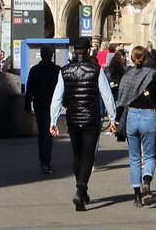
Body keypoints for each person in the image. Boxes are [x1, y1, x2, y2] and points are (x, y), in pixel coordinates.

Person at [49, 38, 117, 213]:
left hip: (72, 119)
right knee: (88, 156)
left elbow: (57, 97)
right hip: (91, 119)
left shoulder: (65, 71)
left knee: (77, 155)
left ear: (74, 51)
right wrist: (112, 118)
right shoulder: (96, 70)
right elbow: (107, 95)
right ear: (88, 51)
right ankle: (80, 189)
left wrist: (53, 120)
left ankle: (82, 190)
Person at [113, 45, 156, 206]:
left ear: (132, 58)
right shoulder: (153, 74)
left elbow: (121, 100)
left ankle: (137, 197)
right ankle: (147, 180)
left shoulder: (127, 74)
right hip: (148, 116)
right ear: (146, 58)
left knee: (134, 158)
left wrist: (117, 121)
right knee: (150, 156)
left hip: (131, 116)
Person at [26, 47, 62, 176]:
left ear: (40, 55)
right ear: (51, 55)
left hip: (40, 105)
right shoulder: (57, 70)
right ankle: (46, 161)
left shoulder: (34, 70)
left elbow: (29, 89)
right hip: (53, 105)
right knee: (49, 132)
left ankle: (44, 160)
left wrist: (26, 106)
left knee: (43, 133)